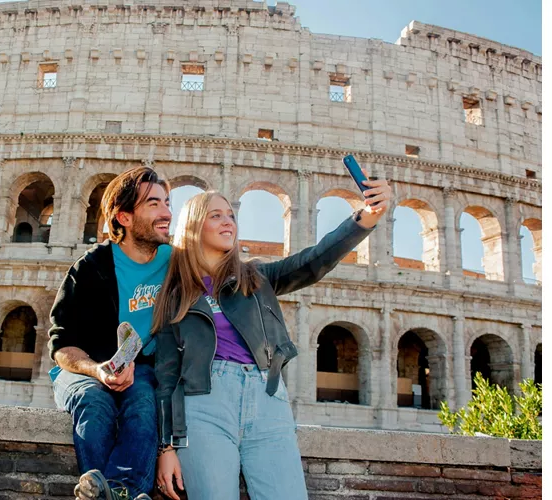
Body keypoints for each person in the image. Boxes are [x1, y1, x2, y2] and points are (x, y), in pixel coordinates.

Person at [152, 179, 392, 500]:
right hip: (203, 402)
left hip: (267, 398)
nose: (228, 221)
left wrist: (366, 217)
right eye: (216, 215)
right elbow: (166, 373)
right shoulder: (175, 291)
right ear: (193, 226)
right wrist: (166, 447)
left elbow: (313, 261)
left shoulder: (256, 277)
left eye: (231, 215)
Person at [47, 166, 174, 500]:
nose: (167, 213)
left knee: (144, 401)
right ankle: (127, 495)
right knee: (94, 400)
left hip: (142, 370)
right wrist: (97, 370)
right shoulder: (90, 267)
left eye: (167, 202)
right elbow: (61, 344)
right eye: (154, 204)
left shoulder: (176, 263)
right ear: (125, 217)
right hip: (84, 370)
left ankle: (114, 493)